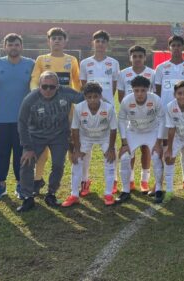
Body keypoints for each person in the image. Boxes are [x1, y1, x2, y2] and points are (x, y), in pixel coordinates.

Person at [17, 72, 84, 212]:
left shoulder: (66, 93)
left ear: (58, 86)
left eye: (52, 87)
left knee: (58, 164)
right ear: (39, 86)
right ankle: (27, 197)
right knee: (26, 163)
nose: (48, 90)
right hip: (36, 136)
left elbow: (86, 98)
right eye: (44, 86)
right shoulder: (30, 99)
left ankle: (51, 193)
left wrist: (103, 103)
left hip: (59, 135)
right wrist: (27, 148)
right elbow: (22, 123)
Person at [29, 27, 81, 196]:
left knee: (71, 146)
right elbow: (34, 81)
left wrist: (76, 101)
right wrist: (37, 95)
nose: (57, 41)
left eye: (60, 38)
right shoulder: (41, 59)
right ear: (49, 41)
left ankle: (76, 183)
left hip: (67, 111)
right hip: (46, 110)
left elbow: (77, 83)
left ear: (65, 41)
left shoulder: (71, 60)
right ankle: (37, 180)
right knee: (42, 149)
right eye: (54, 38)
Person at [0, 33, 35, 201]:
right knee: (1, 153)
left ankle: (21, 185)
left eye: (16, 45)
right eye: (10, 45)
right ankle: (1, 186)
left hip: (23, 121)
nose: (13, 48)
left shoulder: (30, 64)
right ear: (4, 47)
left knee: (21, 154)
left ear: (21, 47)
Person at [155, 35, 184, 194]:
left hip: (183, 115)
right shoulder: (161, 68)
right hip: (165, 114)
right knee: (165, 147)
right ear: (169, 47)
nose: (176, 48)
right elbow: (158, 92)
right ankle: (160, 182)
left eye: (179, 45)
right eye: (173, 45)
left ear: (183, 47)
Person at [63, 82, 117, 207]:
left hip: (104, 137)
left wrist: (111, 149)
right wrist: (77, 150)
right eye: (89, 97)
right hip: (85, 137)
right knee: (77, 161)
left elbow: (113, 129)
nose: (92, 100)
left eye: (95, 96)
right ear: (85, 97)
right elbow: (75, 129)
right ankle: (74, 195)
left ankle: (108, 194)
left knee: (110, 160)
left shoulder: (109, 108)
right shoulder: (78, 108)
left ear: (100, 96)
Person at [78, 30, 120, 197]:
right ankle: (84, 180)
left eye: (103, 41)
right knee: (85, 147)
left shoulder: (114, 63)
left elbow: (114, 86)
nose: (100, 44)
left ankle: (113, 179)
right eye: (98, 41)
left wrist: (105, 101)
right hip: (89, 110)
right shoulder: (85, 63)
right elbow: (84, 86)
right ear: (93, 43)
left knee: (110, 146)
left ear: (107, 44)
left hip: (107, 109)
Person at [116, 75, 165, 204]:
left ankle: (158, 189)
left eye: (143, 90)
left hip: (151, 131)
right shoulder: (127, 101)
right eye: (136, 90)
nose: (139, 94)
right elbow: (121, 120)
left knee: (156, 156)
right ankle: (125, 191)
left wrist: (158, 143)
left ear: (148, 90)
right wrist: (124, 143)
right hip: (134, 131)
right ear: (132, 90)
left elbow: (162, 120)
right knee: (125, 157)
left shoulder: (155, 99)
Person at [118, 45, 155, 193]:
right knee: (130, 151)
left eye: (140, 56)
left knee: (146, 149)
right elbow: (121, 97)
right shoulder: (123, 74)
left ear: (145, 58)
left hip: (147, 118)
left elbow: (154, 96)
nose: (137, 59)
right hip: (130, 118)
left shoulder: (152, 73)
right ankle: (131, 180)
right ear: (130, 58)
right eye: (134, 56)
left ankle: (144, 181)